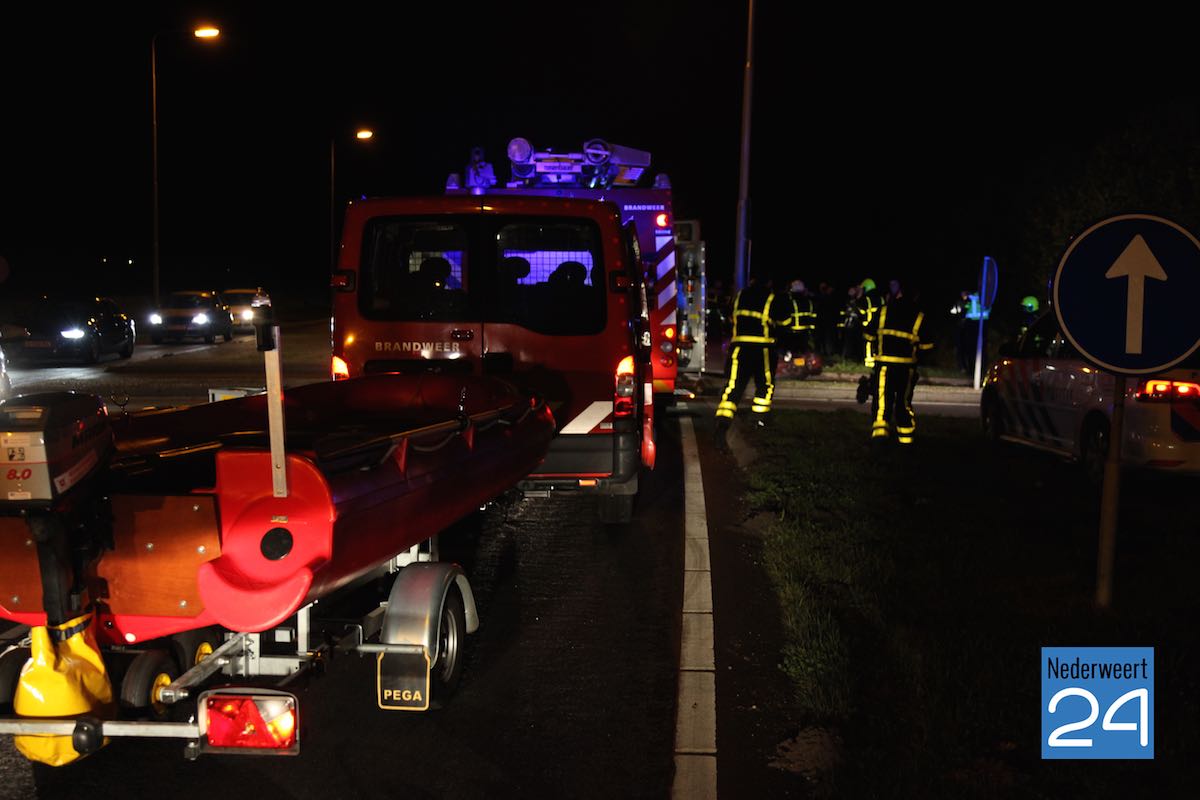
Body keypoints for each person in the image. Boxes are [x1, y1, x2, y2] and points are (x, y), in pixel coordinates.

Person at [714, 276, 794, 451]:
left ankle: (722, 424)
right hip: (762, 349)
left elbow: (728, 316)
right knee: (764, 385)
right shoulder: (772, 298)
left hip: (739, 349)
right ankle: (758, 421)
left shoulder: (740, 295)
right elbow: (785, 323)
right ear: (769, 282)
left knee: (733, 387)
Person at [864, 286, 933, 445]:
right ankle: (906, 441)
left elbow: (868, 335)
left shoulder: (883, 311)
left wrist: (870, 358)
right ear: (915, 296)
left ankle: (880, 438)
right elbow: (927, 346)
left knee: (882, 402)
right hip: (906, 369)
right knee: (903, 403)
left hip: (884, 366)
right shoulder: (919, 316)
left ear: (899, 294)